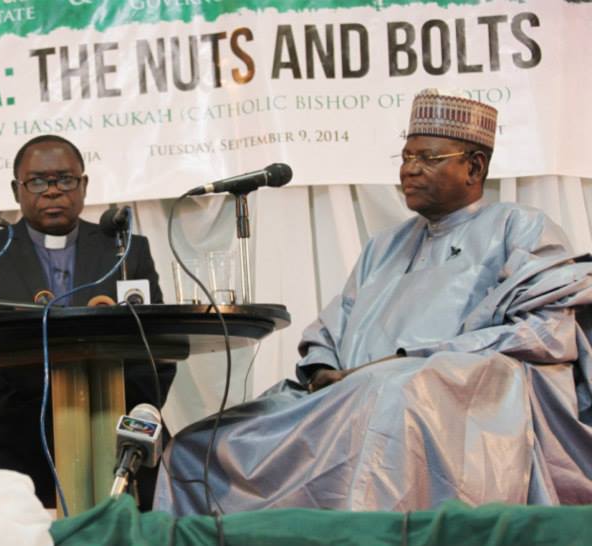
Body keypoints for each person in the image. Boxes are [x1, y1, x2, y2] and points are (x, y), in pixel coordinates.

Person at [155, 89, 592, 515]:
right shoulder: (384, 246)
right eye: (405, 158)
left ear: (474, 168)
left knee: (392, 394)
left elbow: (544, 334)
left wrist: (402, 364)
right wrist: (324, 368)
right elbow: (330, 328)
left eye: (427, 159)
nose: (409, 171)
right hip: (346, 398)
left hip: (431, 406)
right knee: (199, 447)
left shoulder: (522, 228)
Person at [0, 134, 174, 508]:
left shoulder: (126, 250)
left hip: (114, 425)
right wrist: (41, 429)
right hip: (9, 433)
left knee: (165, 498)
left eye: (65, 180)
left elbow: (155, 349)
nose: (52, 191)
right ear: (16, 189)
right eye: (37, 181)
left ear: (83, 185)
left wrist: (110, 420)